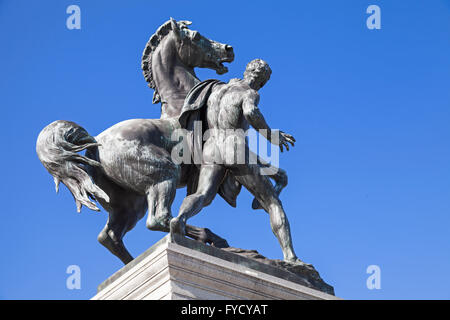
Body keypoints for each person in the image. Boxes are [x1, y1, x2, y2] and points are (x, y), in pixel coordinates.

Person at [171, 59, 301, 263]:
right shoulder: (250, 93)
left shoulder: (218, 90)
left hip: (211, 146)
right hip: (234, 147)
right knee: (273, 202)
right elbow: (250, 112)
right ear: (262, 80)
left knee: (202, 194)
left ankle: (180, 219)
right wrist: (272, 136)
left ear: (247, 70)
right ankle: (291, 256)